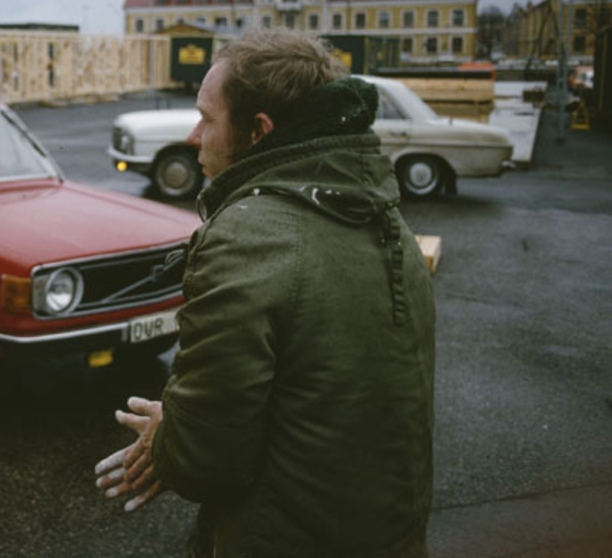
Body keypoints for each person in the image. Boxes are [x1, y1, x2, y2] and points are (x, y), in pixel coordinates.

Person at [94, 28, 435, 557]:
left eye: (208, 118)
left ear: (258, 131)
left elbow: (206, 461)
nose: (193, 135)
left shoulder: (246, 239)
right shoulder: (386, 222)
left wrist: (171, 436)